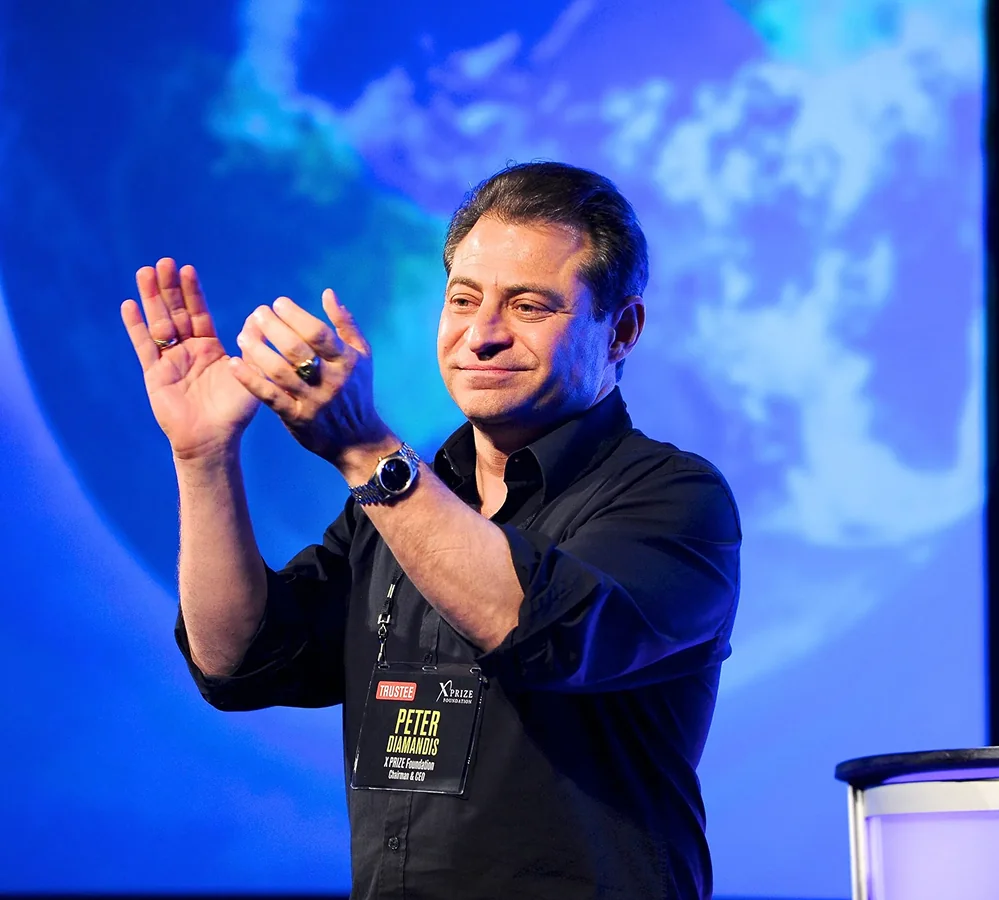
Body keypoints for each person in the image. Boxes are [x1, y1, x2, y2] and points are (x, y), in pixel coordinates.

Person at [121, 162, 741, 900]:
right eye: (463, 299)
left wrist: (365, 451)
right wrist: (202, 456)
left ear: (622, 330)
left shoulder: (675, 499)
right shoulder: (401, 501)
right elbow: (237, 660)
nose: (481, 335)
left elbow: (534, 630)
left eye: (529, 307)